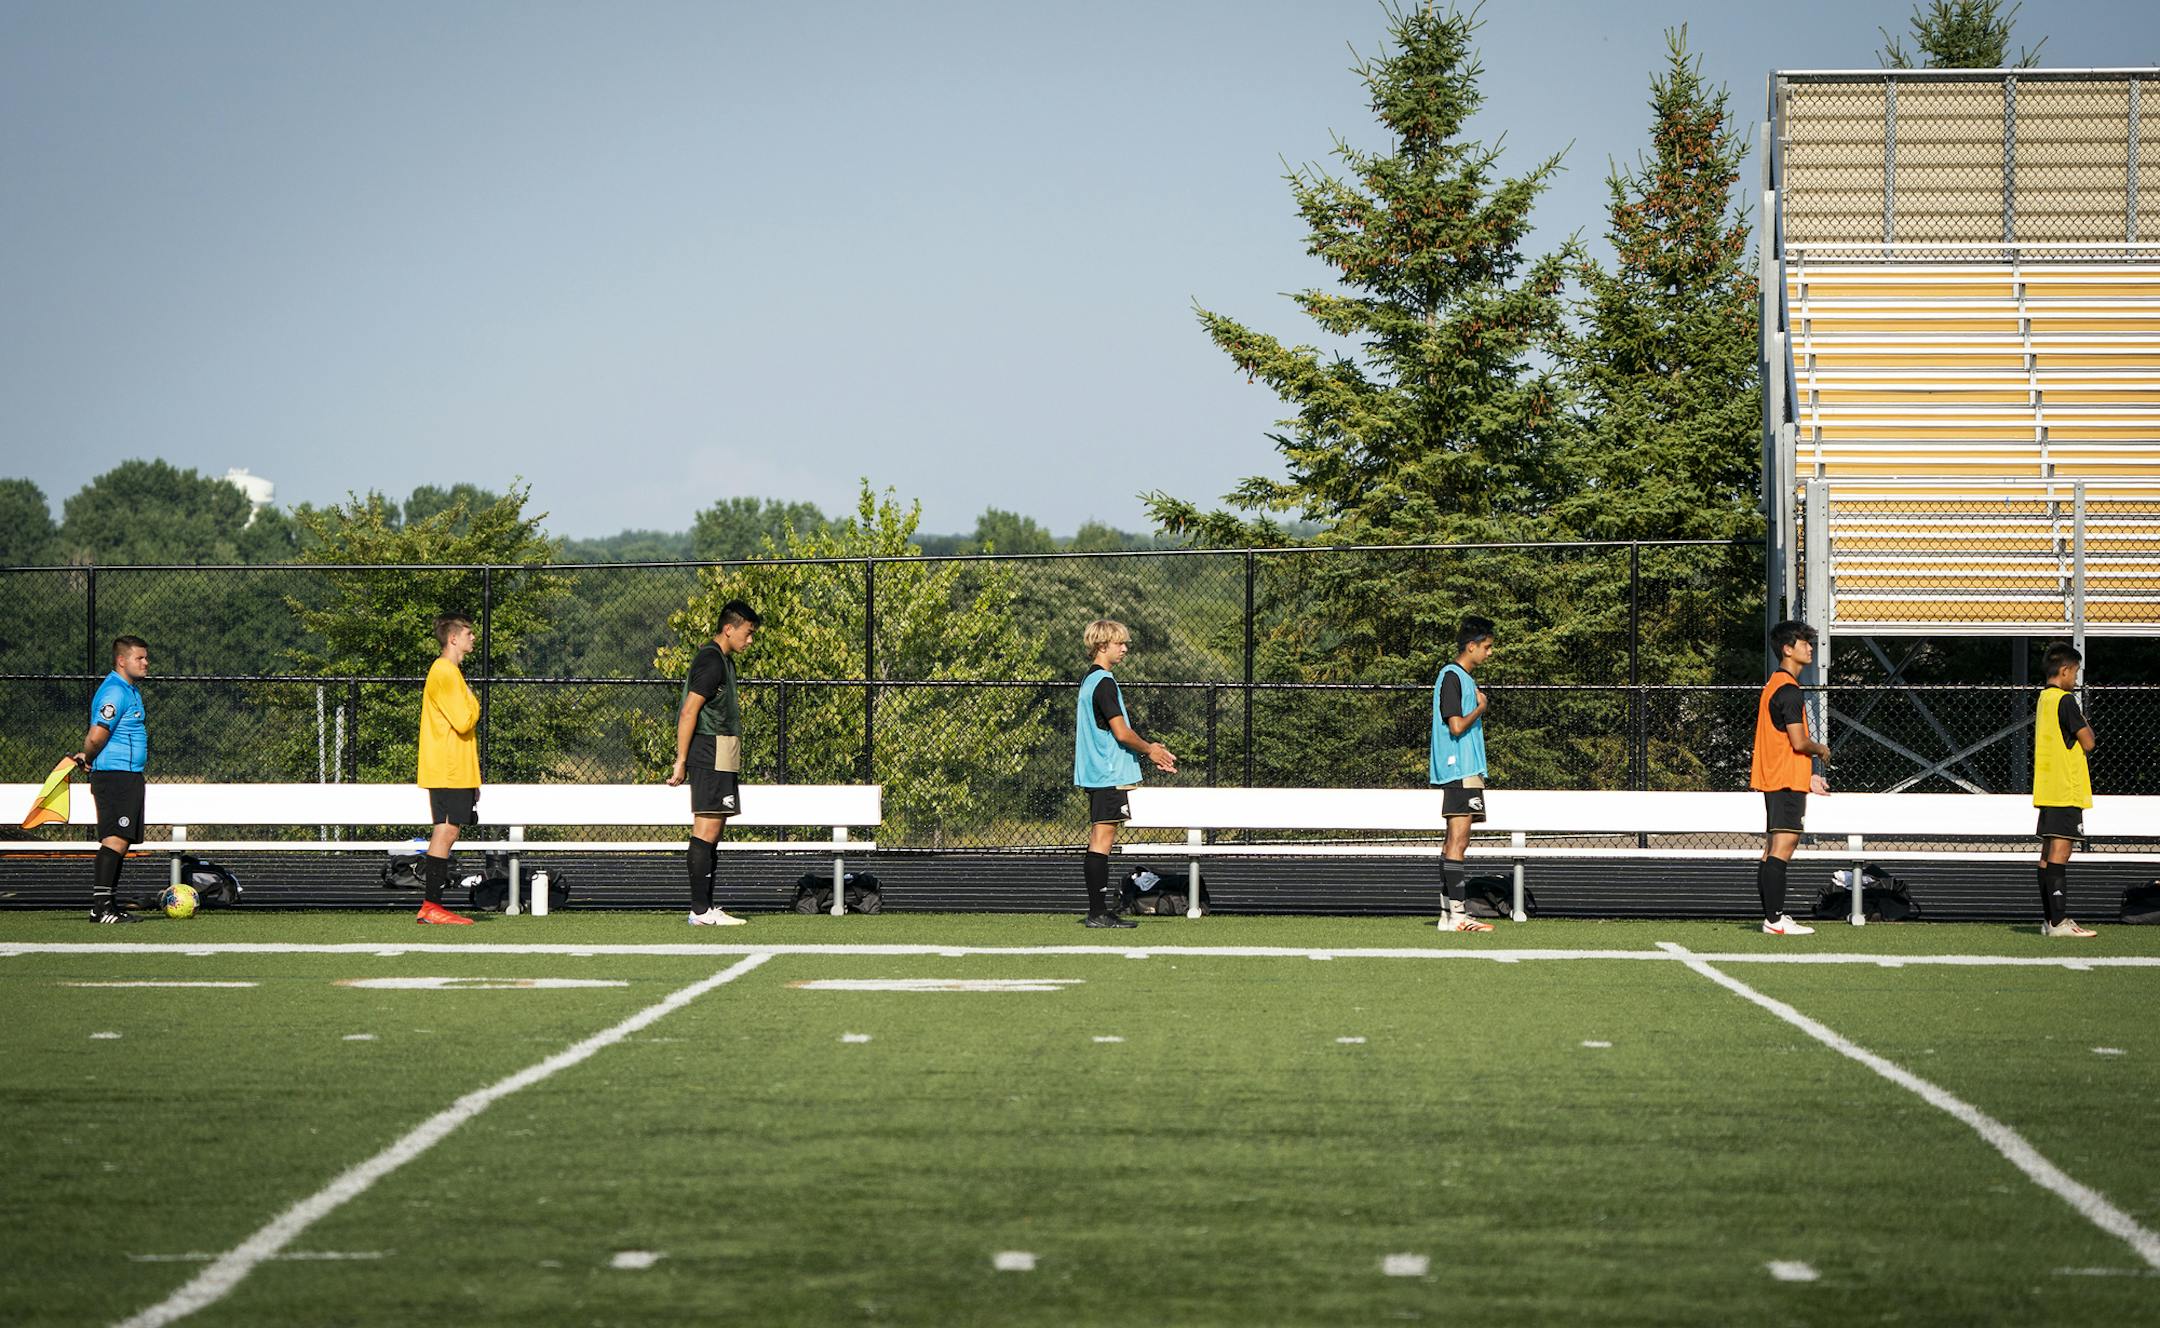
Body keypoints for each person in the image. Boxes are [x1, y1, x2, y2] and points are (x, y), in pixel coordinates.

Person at [1074, 619, 1176, 928]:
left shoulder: (1089, 680)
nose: (1125, 648)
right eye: (1120, 643)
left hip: (1097, 772)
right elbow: (1121, 733)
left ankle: (1098, 911)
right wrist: (1151, 749)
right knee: (1102, 839)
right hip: (1108, 773)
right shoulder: (1104, 682)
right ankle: (1097, 913)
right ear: (1102, 646)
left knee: (1100, 837)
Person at [669, 600, 761, 926]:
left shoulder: (723, 660)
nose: (750, 640)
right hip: (710, 750)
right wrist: (681, 761)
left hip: (723, 750)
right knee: (705, 828)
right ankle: (699, 911)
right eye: (748, 633)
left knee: (715, 828)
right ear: (729, 629)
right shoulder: (711, 661)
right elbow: (688, 711)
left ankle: (705, 908)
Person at [1751, 620, 1831, 936]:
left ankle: (1773, 917)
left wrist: (1808, 776)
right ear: (1788, 649)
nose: (1810, 648)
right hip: (1784, 781)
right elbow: (1799, 743)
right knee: (1783, 847)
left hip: (1780, 777)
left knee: (1772, 848)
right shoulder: (1789, 691)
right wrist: (1821, 750)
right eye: (1804, 642)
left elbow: (1784, 743)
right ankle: (1775, 920)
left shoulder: (1775, 685)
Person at [72, 636, 150, 923]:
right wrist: (89, 757)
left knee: (121, 840)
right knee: (115, 839)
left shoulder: (129, 690)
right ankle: (101, 908)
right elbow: (97, 735)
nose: (145, 663)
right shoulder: (115, 692)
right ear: (122, 660)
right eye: (139, 658)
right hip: (115, 777)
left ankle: (108, 905)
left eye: (145, 657)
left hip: (127, 776)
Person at [1431, 617, 1496, 933]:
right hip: (1460, 770)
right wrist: (1480, 708)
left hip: (1466, 770)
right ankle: (1458, 916)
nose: (1489, 653)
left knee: (1453, 843)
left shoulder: (1463, 679)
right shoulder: (1452, 676)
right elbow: (1455, 725)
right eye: (1487, 647)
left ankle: (1448, 915)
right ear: (1471, 646)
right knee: (1459, 841)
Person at [415, 615, 480, 925]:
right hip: (448, 768)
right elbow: (465, 719)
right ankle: (431, 906)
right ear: (453, 639)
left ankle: (432, 906)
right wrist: (475, 703)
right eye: (468, 633)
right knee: (446, 831)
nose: (473, 638)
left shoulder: (449, 672)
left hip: (453, 768)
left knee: (447, 831)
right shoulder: (445, 672)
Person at [2033, 642, 2098, 938]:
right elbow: (2088, 742)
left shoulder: (2044, 699)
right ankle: (2059, 922)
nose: (2076, 679)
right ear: (2065, 670)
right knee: (2061, 851)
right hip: (2065, 788)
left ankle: (2050, 921)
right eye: (2076, 673)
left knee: (2047, 855)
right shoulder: (2065, 700)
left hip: (2048, 787)